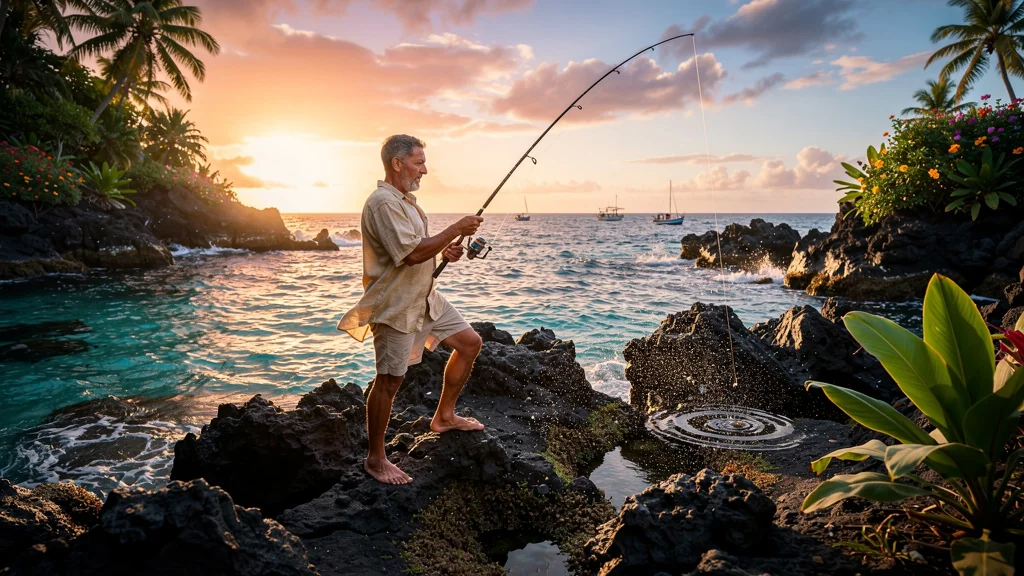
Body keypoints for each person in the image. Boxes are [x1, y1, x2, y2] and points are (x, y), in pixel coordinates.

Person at [338, 134, 485, 485]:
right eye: (419, 162)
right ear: (397, 163)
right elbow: (410, 254)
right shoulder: (382, 203)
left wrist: (445, 252)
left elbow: (419, 250)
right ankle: (375, 458)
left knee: (470, 343)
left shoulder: (407, 202)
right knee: (390, 381)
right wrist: (455, 230)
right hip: (396, 304)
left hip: (425, 295)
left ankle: (444, 416)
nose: (425, 169)